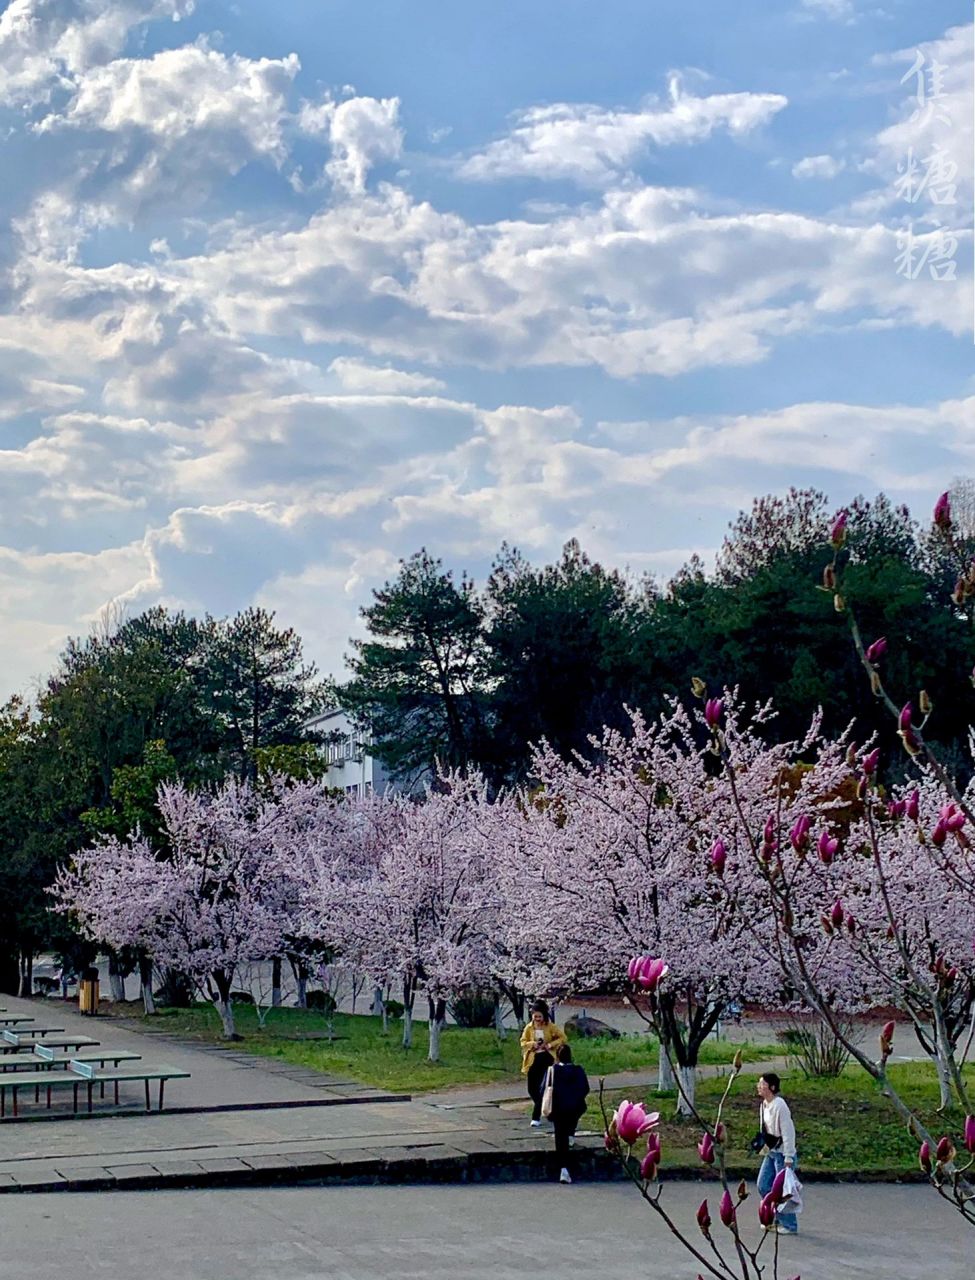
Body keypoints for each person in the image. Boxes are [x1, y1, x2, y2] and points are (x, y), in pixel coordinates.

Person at [755, 1071, 799, 1235]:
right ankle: (772, 1217)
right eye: (759, 1084)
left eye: (762, 1084)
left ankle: (789, 1225)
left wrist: (789, 1156)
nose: (759, 1087)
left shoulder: (780, 1105)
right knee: (763, 1185)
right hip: (771, 1152)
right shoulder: (764, 1105)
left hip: (782, 1154)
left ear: (772, 1087)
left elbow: (788, 1132)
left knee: (783, 1191)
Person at [546, 1043, 590, 1184]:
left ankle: (563, 1170)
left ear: (557, 1056)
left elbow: (545, 1089)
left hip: (558, 1109)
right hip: (574, 1107)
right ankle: (571, 1134)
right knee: (570, 1126)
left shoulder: (553, 1070)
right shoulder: (578, 1070)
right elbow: (585, 1088)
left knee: (560, 1139)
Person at [520, 1000, 567, 1127]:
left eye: (539, 1016)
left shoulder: (550, 1026)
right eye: (535, 1016)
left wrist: (550, 1045)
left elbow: (563, 1038)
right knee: (532, 1089)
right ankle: (544, 1107)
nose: (537, 1019)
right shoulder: (529, 1027)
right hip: (533, 1058)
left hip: (546, 1058)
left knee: (543, 1087)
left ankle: (536, 1117)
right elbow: (523, 1041)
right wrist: (532, 1044)